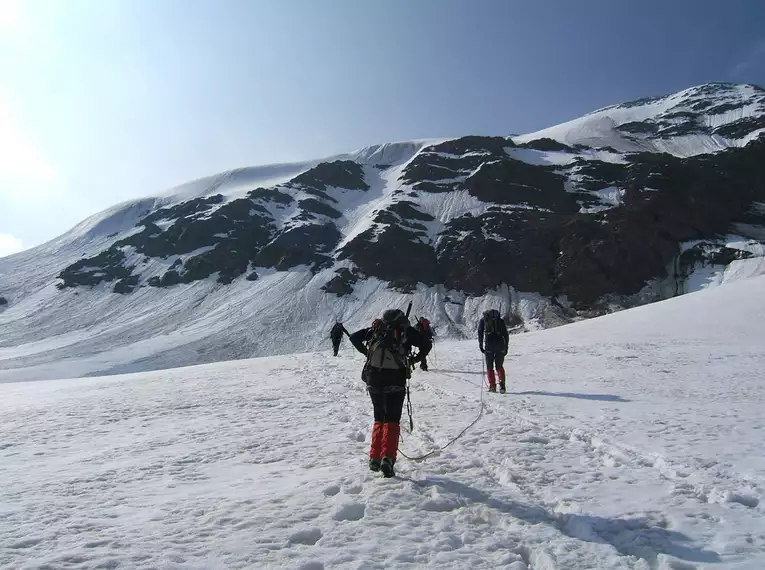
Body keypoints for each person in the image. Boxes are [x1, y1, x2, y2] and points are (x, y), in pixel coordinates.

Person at [349, 309, 432, 478]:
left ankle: (375, 457)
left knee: (379, 417)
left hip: (373, 379)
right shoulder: (405, 331)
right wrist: (413, 360)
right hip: (395, 379)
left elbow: (354, 337)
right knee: (392, 419)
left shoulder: (377, 329)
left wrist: (368, 354)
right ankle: (388, 458)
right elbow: (426, 344)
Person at [478, 309, 509, 393]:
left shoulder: (483, 320)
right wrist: (506, 347)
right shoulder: (501, 321)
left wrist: (481, 345)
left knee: (489, 366)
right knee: (499, 366)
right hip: (500, 345)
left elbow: (480, 332)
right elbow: (505, 334)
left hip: (489, 345)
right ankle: (502, 384)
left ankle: (492, 386)